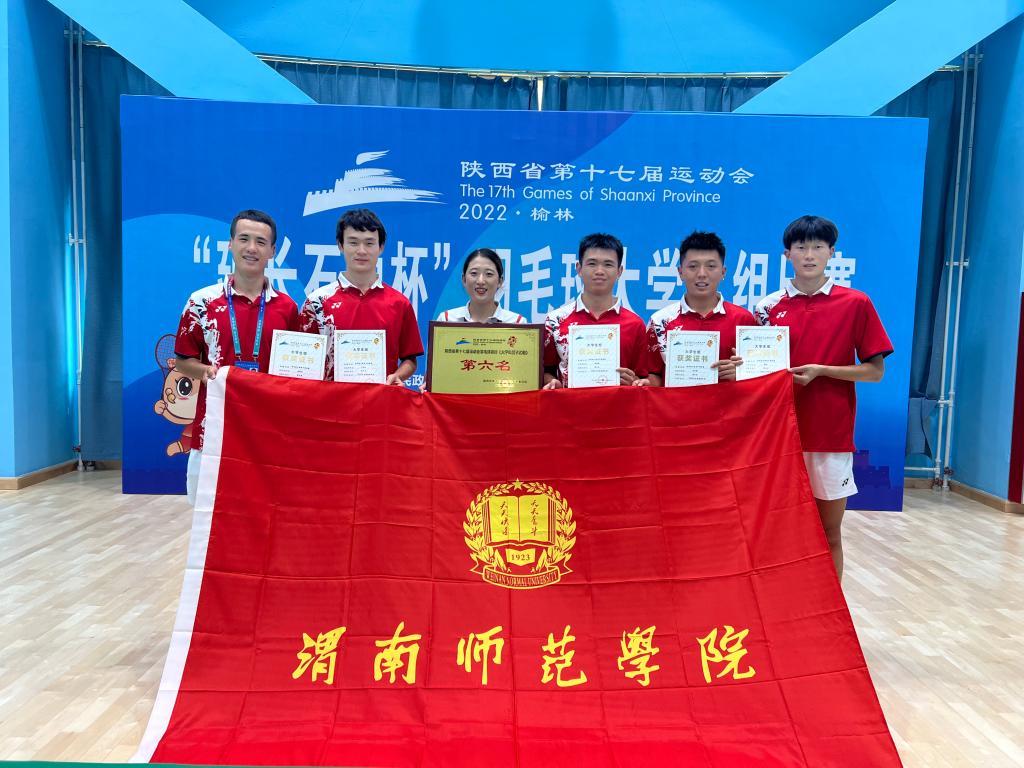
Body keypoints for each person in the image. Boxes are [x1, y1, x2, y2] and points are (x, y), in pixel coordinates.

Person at [755, 215, 892, 581]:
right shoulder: (767, 308)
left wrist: (823, 370)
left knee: (829, 532)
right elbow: (757, 372)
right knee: (778, 534)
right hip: (778, 437)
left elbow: (875, 371)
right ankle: (787, 606)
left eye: (818, 246)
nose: (809, 254)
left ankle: (830, 609)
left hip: (830, 436)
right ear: (787, 254)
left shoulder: (856, 303)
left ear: (832, 252)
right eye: (801, 247)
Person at [174, 209, 299, 505]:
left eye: (260, 242)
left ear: (272, 251)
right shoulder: (201, 302)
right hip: (213, 431)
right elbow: (182, 361)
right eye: (244, 239)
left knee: (264, 516)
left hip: (269, 435)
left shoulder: (288, 308)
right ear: (230, 244)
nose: (251, 248)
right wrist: (207, 372)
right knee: (208, 517)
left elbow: (297, 371)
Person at [300, 208, 423, 384]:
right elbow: (304, 361)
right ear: (340, 245)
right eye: (353, 242)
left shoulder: (399, 303)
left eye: (369, 243)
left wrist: (398, 375)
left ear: (381, 247)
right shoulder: (316, 302)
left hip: (381, 398)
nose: (362, 251)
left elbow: (410, 359)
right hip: (330, 400)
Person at [646, 231, 752, 386]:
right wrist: (645, 384)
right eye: (693, 266)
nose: (702, 274)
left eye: (711, 266)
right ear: (680, 272)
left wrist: (742, 373)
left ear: (723, 272)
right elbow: (653, 374)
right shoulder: (659, 322)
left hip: (729, 403)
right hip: (675, 402)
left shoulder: (744, 320)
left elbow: (759, 377)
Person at [543, 233, 649, 389]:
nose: (599, 271)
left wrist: (633, 381)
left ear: (619, 271)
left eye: (608, 264)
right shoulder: (555, 321)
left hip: (619, 404)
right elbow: (546, 371)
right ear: (579, 268)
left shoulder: (635, 324)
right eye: (592, 263)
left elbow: (642, 377)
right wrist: (552, 383)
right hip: (568, 404)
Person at [437, 249, 526, 323]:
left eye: (489, 274)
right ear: (464, 279)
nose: (480, 281)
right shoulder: (446, 320)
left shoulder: (517, 323)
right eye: (474, 273)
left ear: (500, 281)